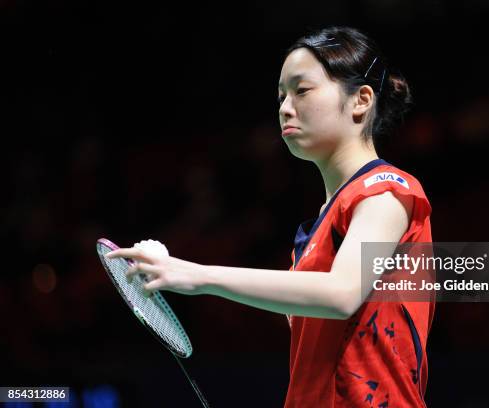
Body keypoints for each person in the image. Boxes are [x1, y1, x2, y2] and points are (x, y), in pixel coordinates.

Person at [107, 26, 434, 408]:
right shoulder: (314, 234)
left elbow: (342, 293)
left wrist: (197, 274)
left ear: (361, 100)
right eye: (281, 95)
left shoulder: (387, 191)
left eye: (302, 90)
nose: (284, 107)